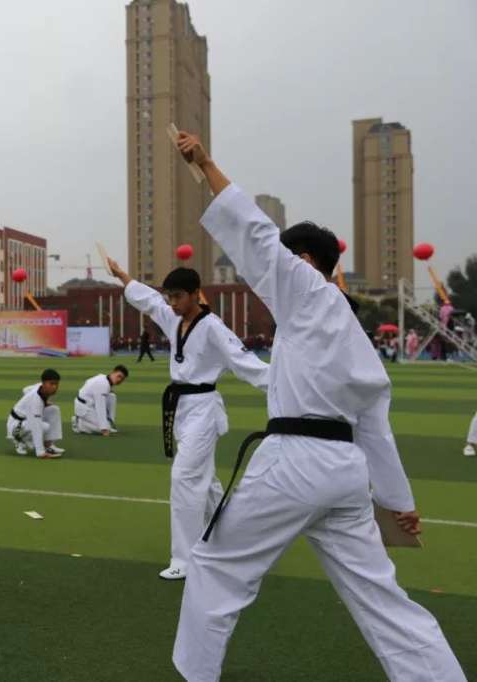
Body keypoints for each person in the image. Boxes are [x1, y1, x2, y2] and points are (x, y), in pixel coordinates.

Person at [169, 131, 465, 681]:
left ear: (303, 260)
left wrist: (206, 163)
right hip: (347, 477)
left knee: (213, 571)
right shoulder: (350, 333)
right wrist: (399, 503)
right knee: (384, 601)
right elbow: (375, 427)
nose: (276, 266)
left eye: (287, 257)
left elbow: (254, 235)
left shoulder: (304, 290)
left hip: (293, 461)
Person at [107, 261, 268, 581]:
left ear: (196, 295)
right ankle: (228, 531)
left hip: (203, 408)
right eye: (170, 296)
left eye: (178, 296)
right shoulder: (171, 316)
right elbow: (149, 301)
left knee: (184, 476)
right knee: (203, 480)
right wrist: (124, 277)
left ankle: (185, 558)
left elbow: (244, 363)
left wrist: (290, 385)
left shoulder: (213, 327)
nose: (172, 302)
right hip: (180, 407)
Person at [6, 369, 66, 458]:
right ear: (44, 383)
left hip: (25, 420)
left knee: (54, 410)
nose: (54, 387)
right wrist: (41, 452)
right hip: (15, 426)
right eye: (51, 384)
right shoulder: (36, 401)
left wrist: (43, 403)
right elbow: (36, 426)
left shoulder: (39, 387)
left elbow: (25, 389)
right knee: (44, 426)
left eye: (56, 384)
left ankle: (48, 445)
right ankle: (18, 439)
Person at [72, 365, 129, 435]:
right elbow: (100, 407)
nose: (119, 380)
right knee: (105, 428)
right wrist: (104, 429)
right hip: (84, 408)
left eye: (122, 379)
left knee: (112, 396)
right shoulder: (103, 384)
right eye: (119, 376)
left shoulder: (104, 378)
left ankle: (110, 422)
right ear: (113, 372)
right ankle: (80, 424)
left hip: (89, 404)